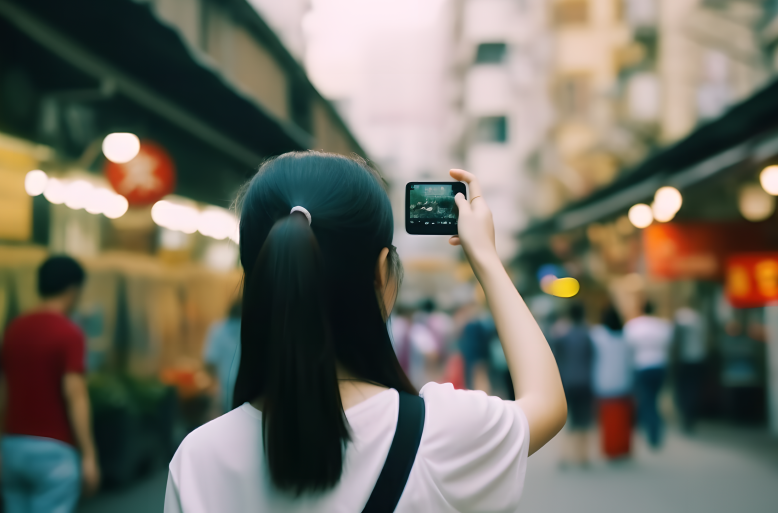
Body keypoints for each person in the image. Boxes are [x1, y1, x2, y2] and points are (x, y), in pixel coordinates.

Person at [165, 152, 567, 512]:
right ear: (381, 273)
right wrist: (486, 258)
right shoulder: (442, 433)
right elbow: (547, 402)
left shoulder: (196, 460)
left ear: (261, 275)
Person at [0, 256, 98, 513]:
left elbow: (3, 390)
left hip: (12, 446)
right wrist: (89, 455)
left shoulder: (14, 329)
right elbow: (75, 394)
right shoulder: (69, 333)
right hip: (54, 450)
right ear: (72, 290)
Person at [624, 301, 674, 449]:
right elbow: (669, 344)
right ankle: (655, 430)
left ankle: (652, 431)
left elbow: (628, 347)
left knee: (647, 399)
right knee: (654, 398)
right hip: (660, 365)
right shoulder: (663, 325)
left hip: (642, 366)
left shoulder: (634, 325)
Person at [550, 302, 593, 467]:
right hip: (585, 381)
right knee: (584, 420)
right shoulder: (587, 335)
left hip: (567, 382)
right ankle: (583, 456)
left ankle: (564, 455)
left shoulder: (563, 337)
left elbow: (556, 356)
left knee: (567, 421)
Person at [589, 306, 634, 460]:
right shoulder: (626, 336)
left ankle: (611, 448)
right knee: (624, 419)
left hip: (603, 382)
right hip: (624, 381)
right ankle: (623, 447)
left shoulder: (597, 335)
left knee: (607, 419)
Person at [203, 302, 242, 416]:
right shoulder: (254, 329)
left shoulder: (217, 330)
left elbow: (209, 363)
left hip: (225, 390)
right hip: (249, 389)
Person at [674, 304, 707, 433]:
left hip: (684, 359)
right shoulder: (700, 319)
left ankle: (686, 415)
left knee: (684, 390)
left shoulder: (681, 318)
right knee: (694, 388)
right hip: (698, 358)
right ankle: (691, 416)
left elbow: (676, 340)